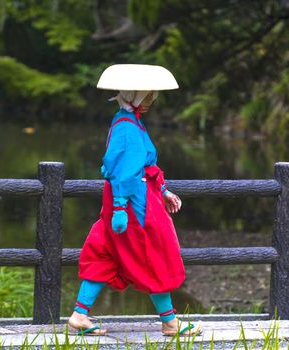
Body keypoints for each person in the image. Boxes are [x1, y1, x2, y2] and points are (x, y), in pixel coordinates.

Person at [68, 64, 202, 337]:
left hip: (128, 199)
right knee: (150, 254)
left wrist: (163, 190)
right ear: (136, 95)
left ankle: (80, 315)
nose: (152, 100)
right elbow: (125, 171)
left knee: (104, 251)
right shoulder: (127, 128)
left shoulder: (127, 122)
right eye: (148, 95)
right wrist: (120, 207)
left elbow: (143, 167)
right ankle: (170, 322)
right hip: (133, 203)